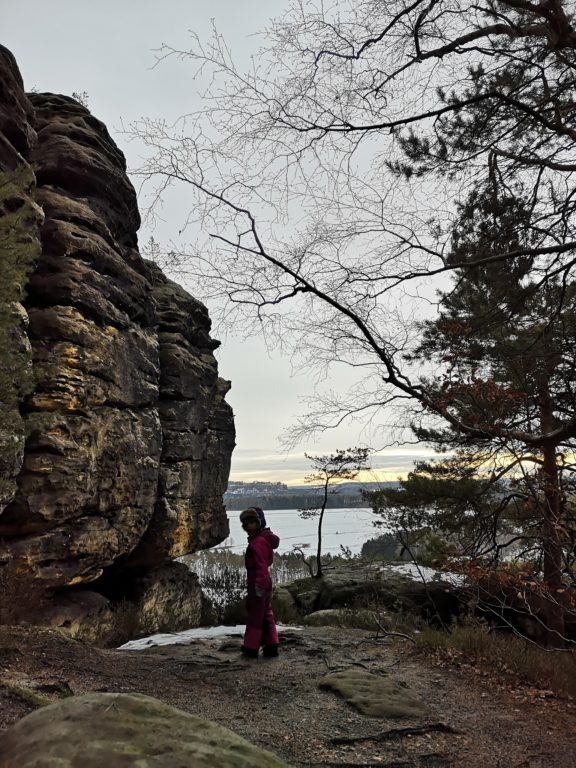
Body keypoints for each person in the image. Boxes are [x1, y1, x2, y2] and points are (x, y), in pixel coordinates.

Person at [239, 506, 280, 658]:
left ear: (260, 523)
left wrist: (258, 586)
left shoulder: (258, 543)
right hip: (262, 582)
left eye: (253, 522)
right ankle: (271, 645)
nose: (249, 526)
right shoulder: (260, 540)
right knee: (265, 614)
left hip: (259, 583)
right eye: (247, 523)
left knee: (255, 616)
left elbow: (261, 566)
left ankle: (251, 647)